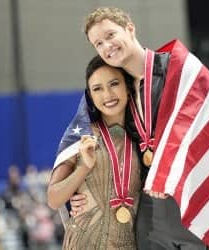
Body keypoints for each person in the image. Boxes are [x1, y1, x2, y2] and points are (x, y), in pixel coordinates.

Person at [70, 7, 209, 250]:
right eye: (98, 43)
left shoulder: (179, 69)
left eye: (111, 35)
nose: (106, 46)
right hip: (150, 214)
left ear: (130, 28)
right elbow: (111, 150)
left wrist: (165, 170)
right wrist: (84, 192)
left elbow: (204, 125)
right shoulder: (116, 90)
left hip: (190, 198)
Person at [47, 55, 141, 249]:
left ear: (128, 87)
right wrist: (83, 168)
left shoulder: (143, 137)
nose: (107, 95)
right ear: (89, 95)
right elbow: (54, 199)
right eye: (97, 88)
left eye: (114, 84)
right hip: (85, 242)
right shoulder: (81, 138)